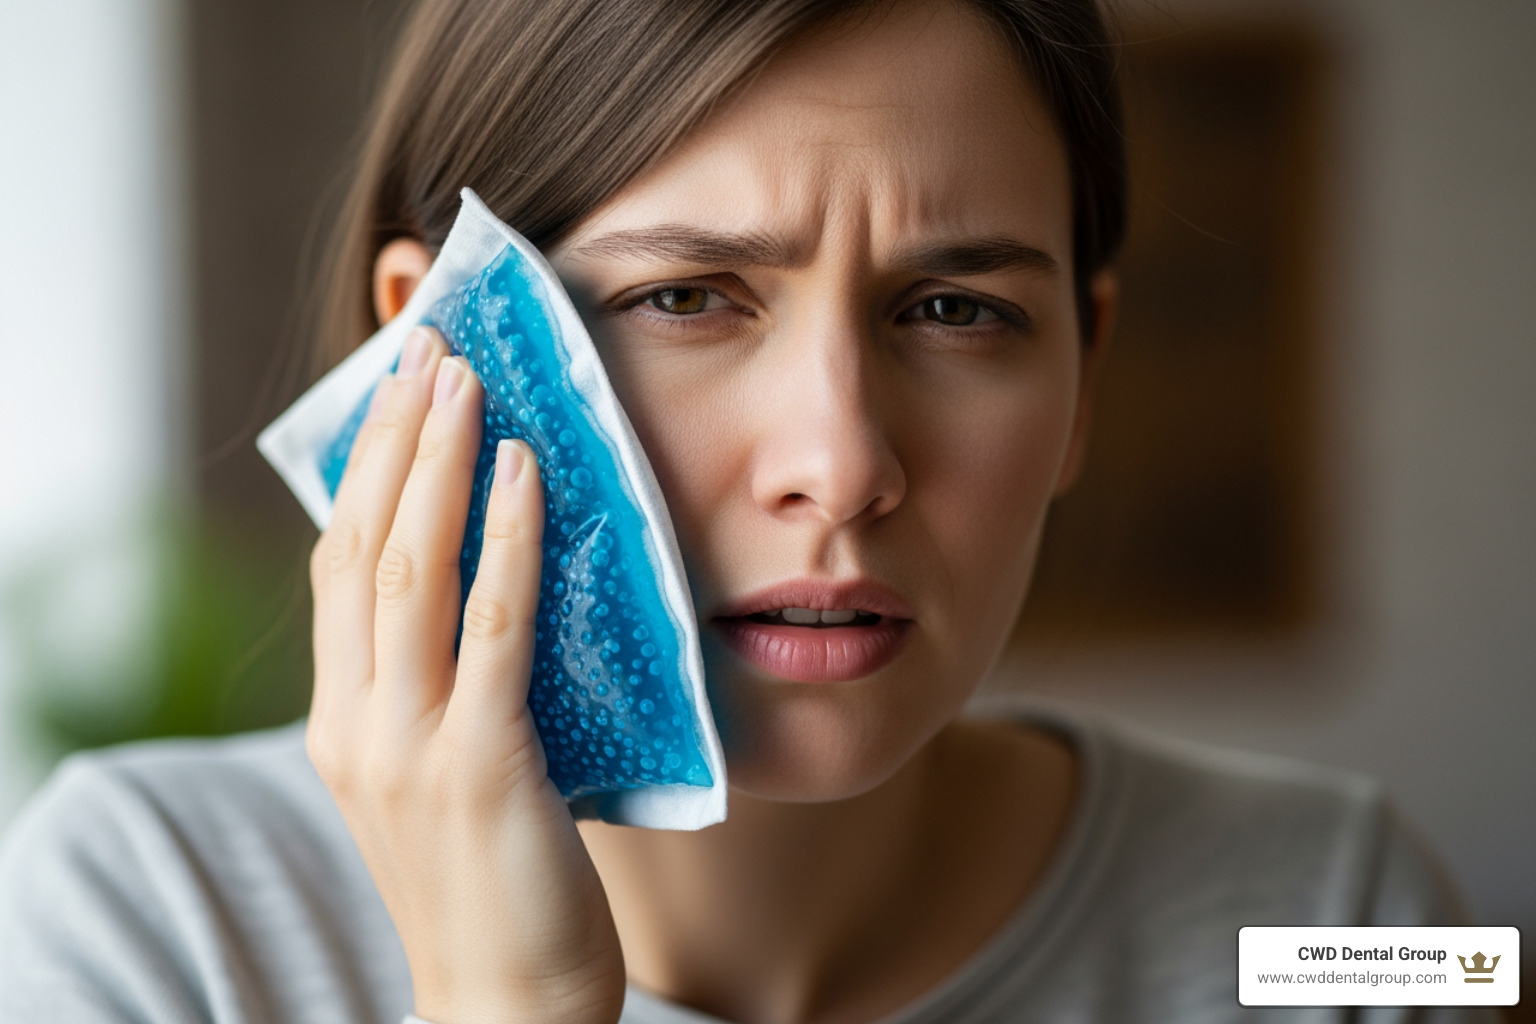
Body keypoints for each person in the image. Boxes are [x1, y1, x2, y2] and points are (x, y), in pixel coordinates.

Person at [0, 1, 1490, 1022]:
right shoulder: (150, 925)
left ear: (1085, 382)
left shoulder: (1339, 922)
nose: (842, 466)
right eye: (689, 299)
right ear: (428, 359)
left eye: (958, 308)